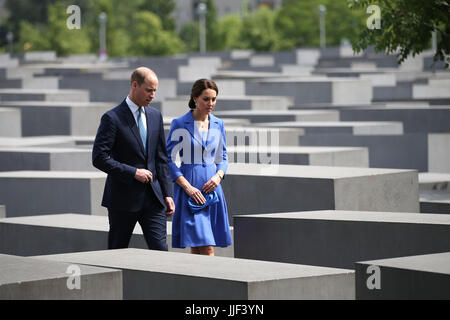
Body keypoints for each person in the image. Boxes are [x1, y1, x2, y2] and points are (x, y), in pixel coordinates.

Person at [92, 67, 175, 251]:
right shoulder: (112, 118)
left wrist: (167, 193)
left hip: (154, 199)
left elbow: (161, 159)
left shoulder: (155, 116)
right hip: (123, 200)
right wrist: (133, 172)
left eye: (155, 91)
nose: (152, 95)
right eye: (149, 90)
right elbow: (99, 158)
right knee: (117, 251)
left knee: (161, 251)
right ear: (134, 85)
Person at [166, 79, 232, 256]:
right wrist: (187, 187)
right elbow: (168, 159)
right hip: (190, 189)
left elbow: (223, 157)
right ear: (195, 98)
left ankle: (198, 281)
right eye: (206, 99)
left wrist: (219, 175)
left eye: (213, 99)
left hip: (212, 188)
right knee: (203, 243)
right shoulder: (179, 123)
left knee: (198, 245)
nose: (210, 104)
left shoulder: (219, 124)